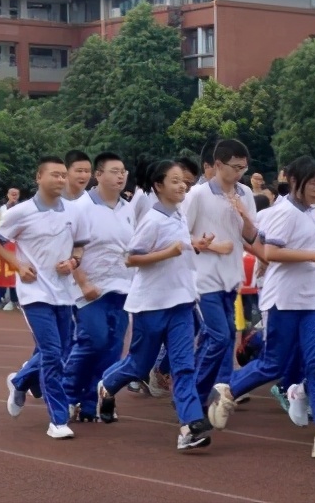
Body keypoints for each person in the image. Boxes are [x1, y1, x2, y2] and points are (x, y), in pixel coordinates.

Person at [206, 156, 315, 459]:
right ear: (295, 182)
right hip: (284, 300)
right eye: (313, 183)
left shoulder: (312, 212)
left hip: (312, 300)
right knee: (274, 364)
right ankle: (230, 390)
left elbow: (256, 233)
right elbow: (270, 251)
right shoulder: (284, 212)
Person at [96, 160, 215, 450]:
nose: (182, 186)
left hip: (182, 303)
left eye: (183, 181)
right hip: (151, 305)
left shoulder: (178, 215)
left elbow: (178, 247)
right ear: (158, 186)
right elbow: (131, 258)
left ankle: (189, 425)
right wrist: (168, 252)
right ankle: (107, 386)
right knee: (139, 365)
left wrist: (193, 245)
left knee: (184, 366)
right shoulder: (152, 219)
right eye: (174, 181)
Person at [0, 157, 88, 439]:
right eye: (55, 175)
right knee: (51, 354)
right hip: (34, 293)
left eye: (63, 175)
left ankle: (20, 380)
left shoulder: (74, 211)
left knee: (64, 349)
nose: (61, 180)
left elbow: (80, 246)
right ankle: (58, 419)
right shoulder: (20, 212)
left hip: (64, 292)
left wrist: (72, 262)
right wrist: (19, 265)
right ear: (38, 177)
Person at [185, 139, 260, 409]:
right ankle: (194, 392)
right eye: (235, 167)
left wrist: (246, 217)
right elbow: (182, 236)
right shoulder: (198, 195)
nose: (240, 173)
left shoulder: (245, 194)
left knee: (224, 336)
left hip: (232, 277)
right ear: (217, 165)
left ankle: (212, 390)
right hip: (204, 279)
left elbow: (250, 236)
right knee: (220, 335)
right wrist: (214, 246)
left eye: (244, 168)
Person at [62, 152, 135, 423]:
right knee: (94, 340)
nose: (120, 176)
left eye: (123, 171)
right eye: (115, 171)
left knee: (113, 348)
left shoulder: (128, 208)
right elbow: (69, 247)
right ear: (99, 175)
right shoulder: (82, 206)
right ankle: (69, 394)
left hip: (121, 287)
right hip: (89, 288)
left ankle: (92, 402)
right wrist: (83, 282)